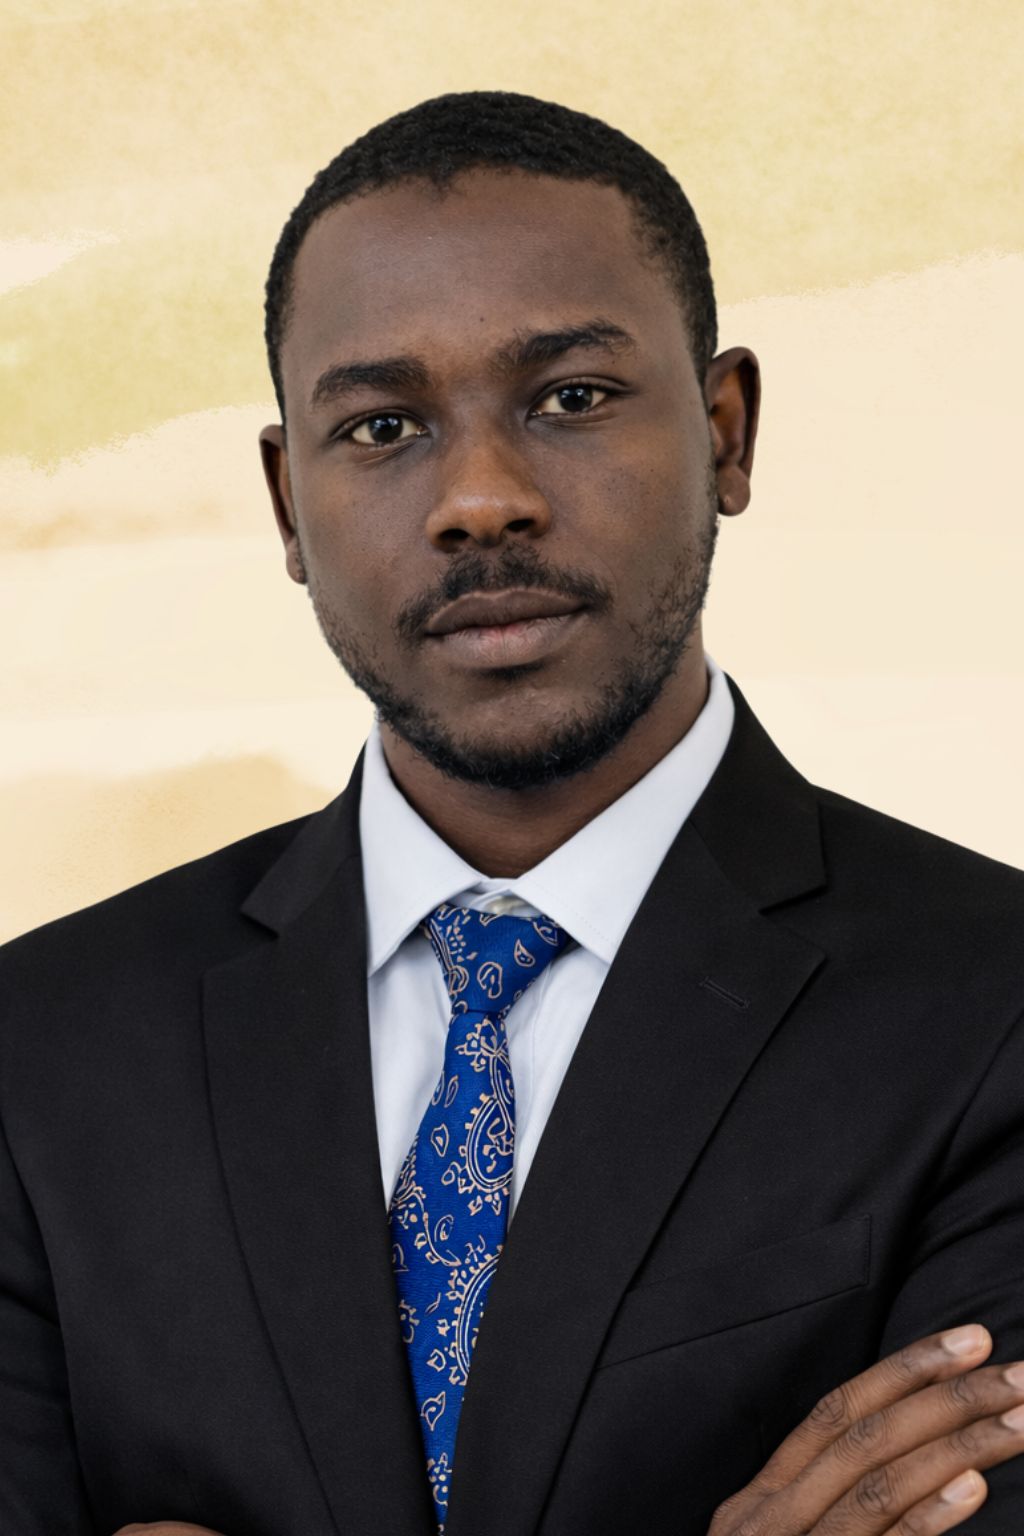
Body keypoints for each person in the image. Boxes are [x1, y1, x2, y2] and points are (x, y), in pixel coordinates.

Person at [1, 90, 1022, 1536]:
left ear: (726, 432)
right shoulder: (40, 1053)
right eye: (383, 426)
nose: (481, 500)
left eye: (572, 398)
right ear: (288, 504)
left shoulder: (993, 1008)